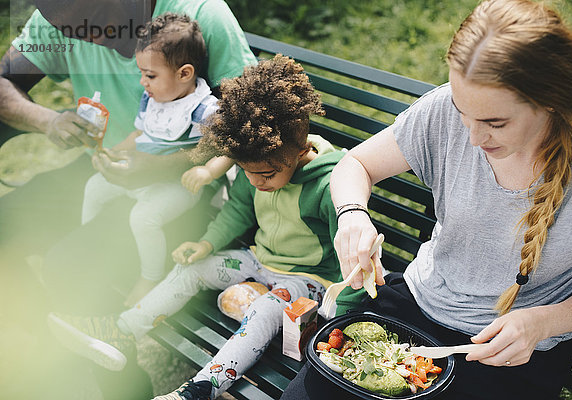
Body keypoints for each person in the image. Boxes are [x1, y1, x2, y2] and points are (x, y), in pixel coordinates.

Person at [282, 0, 572, 399]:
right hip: (418, 305)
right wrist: (352, 215)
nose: (473, 139)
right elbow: (355, 165)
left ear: (551, 101)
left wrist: (539, 323)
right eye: (462, 113)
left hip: (513, 350)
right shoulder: (443, 109)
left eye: (495, 123)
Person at [47, 55, 366, 399]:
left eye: (268, 174)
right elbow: (239, 210)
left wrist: (343, 315)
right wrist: (207, 245)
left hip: (309, 281)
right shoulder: (257, 160)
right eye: (248, 172)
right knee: (192, 269)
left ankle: (198, 391)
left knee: (263, 311)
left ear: (301, 150)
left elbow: (351, 253)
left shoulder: (331, 183)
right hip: (259, 261)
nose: (257, 181)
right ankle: (121, 329)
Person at [0, 0, 256, 306]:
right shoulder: (61, 14)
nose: (85, 37)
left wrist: (162, 166)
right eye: (69, 30)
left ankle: (107, 341)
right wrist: (50, 121)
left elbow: (252, 120)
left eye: (94, 20)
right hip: (110, 167)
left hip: (186, 188)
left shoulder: (202, 13)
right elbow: (5, 82)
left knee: (68, 268)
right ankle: (34, 333)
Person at [81, 12, 234, 306]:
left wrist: (208, 173)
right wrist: (114, 152)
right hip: (142, 175)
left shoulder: (204, 109)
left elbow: (230, 147)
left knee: (142, 217)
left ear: (184, 74)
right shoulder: (151, 98)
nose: (143, 82)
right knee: (95, 186)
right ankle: (91, 246)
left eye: (150, 75)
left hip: (178, 186)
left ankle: (149, 277)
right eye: (141, 73)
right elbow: (140, 132)